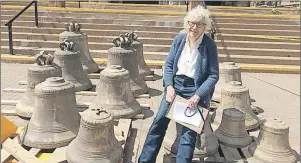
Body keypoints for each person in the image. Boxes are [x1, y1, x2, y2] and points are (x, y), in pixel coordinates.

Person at [138, 6, 219, 163]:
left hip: (194, 90)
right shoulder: (179, 39)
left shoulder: (209, 45)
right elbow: (168, 65)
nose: (194, 27)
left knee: (188, 135)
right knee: (157, 125)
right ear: (186, 23)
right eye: (191, 23)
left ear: (205, 26)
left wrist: (198, 95)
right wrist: (168, 86)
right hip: (174, 88)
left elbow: (213, 75)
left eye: (199, 24)